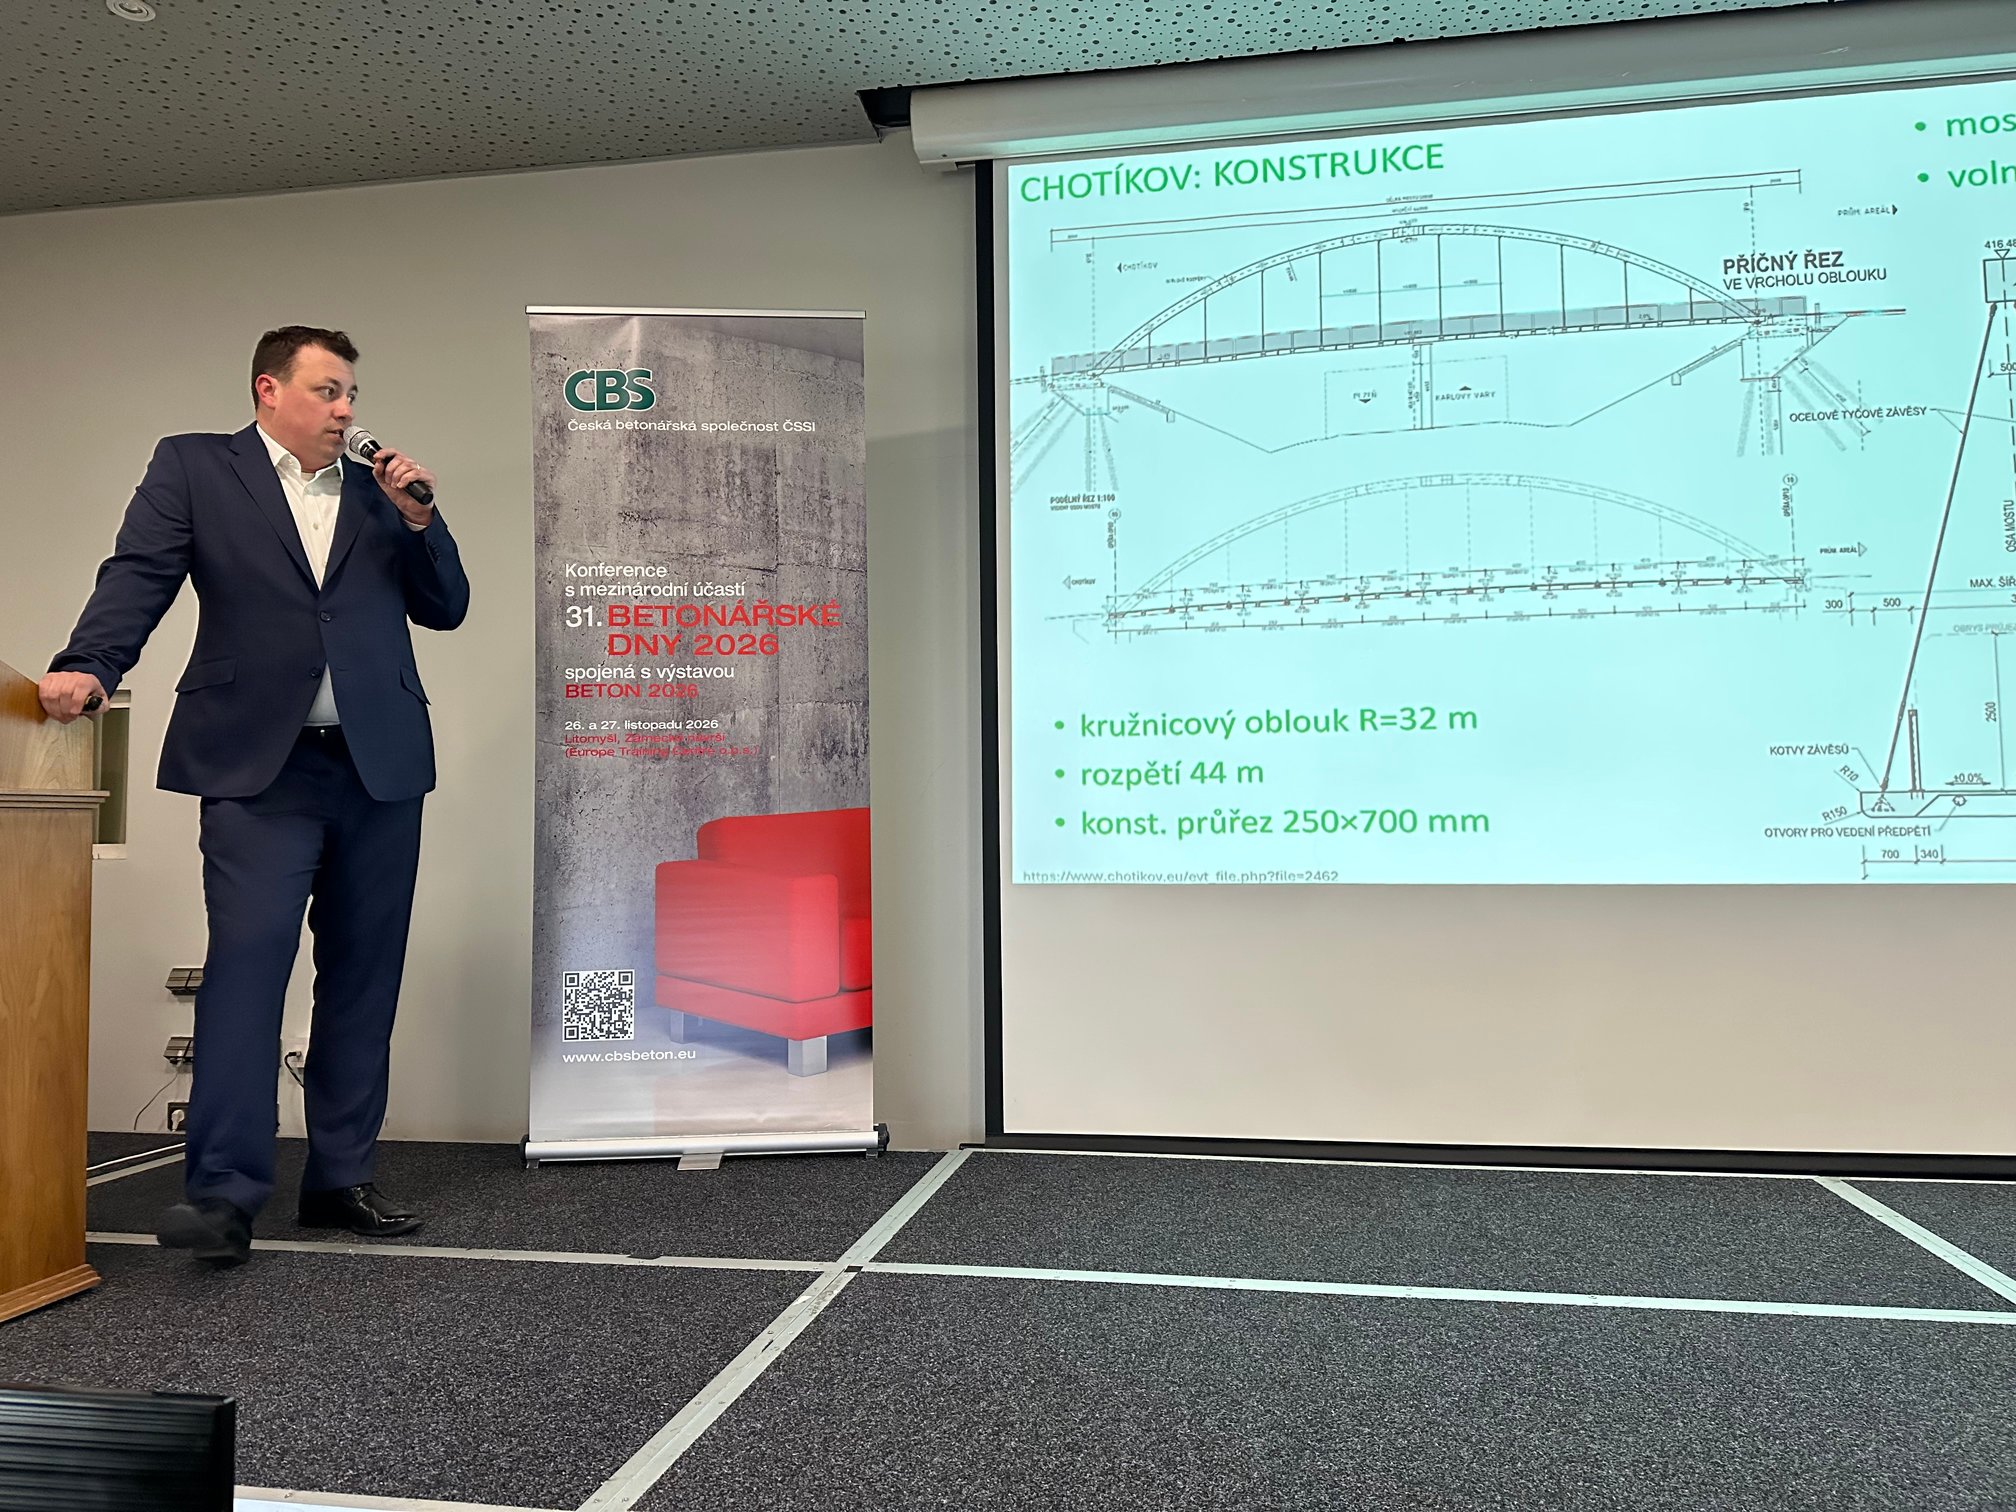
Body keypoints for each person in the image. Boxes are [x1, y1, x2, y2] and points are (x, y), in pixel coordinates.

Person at [40, 326, 470, 1267]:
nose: (346, 410)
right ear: (269, 389)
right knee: (246, 965)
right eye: (328, 390)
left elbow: (446, 607)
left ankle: (340, 1178)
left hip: (379, 767)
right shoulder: (197, 467)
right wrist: (92, 661)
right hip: (257, 768)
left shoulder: (380, 490)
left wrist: (420, 522)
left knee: (363, 974)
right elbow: (140, 573)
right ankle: (224, 1194)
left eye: (351, 393)